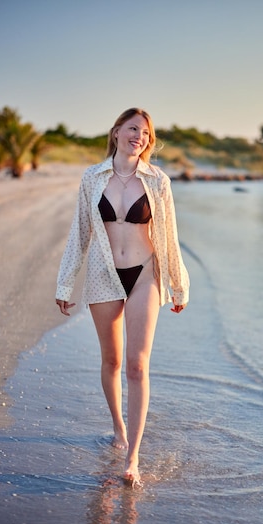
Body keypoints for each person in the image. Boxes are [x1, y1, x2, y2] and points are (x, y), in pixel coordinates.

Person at [55, 108, 189, 487]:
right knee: (111, 360)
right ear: (115, 132)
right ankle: (118, 427)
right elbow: (79, 234)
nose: (140, 138)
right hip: (103, 275)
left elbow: (169, 238)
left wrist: (178, 286)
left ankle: (133, 458)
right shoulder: (92, 178)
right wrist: (65, 285)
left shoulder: (158, 181)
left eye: (146, 133)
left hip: (146, 274)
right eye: (133, 129)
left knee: (137, 365)